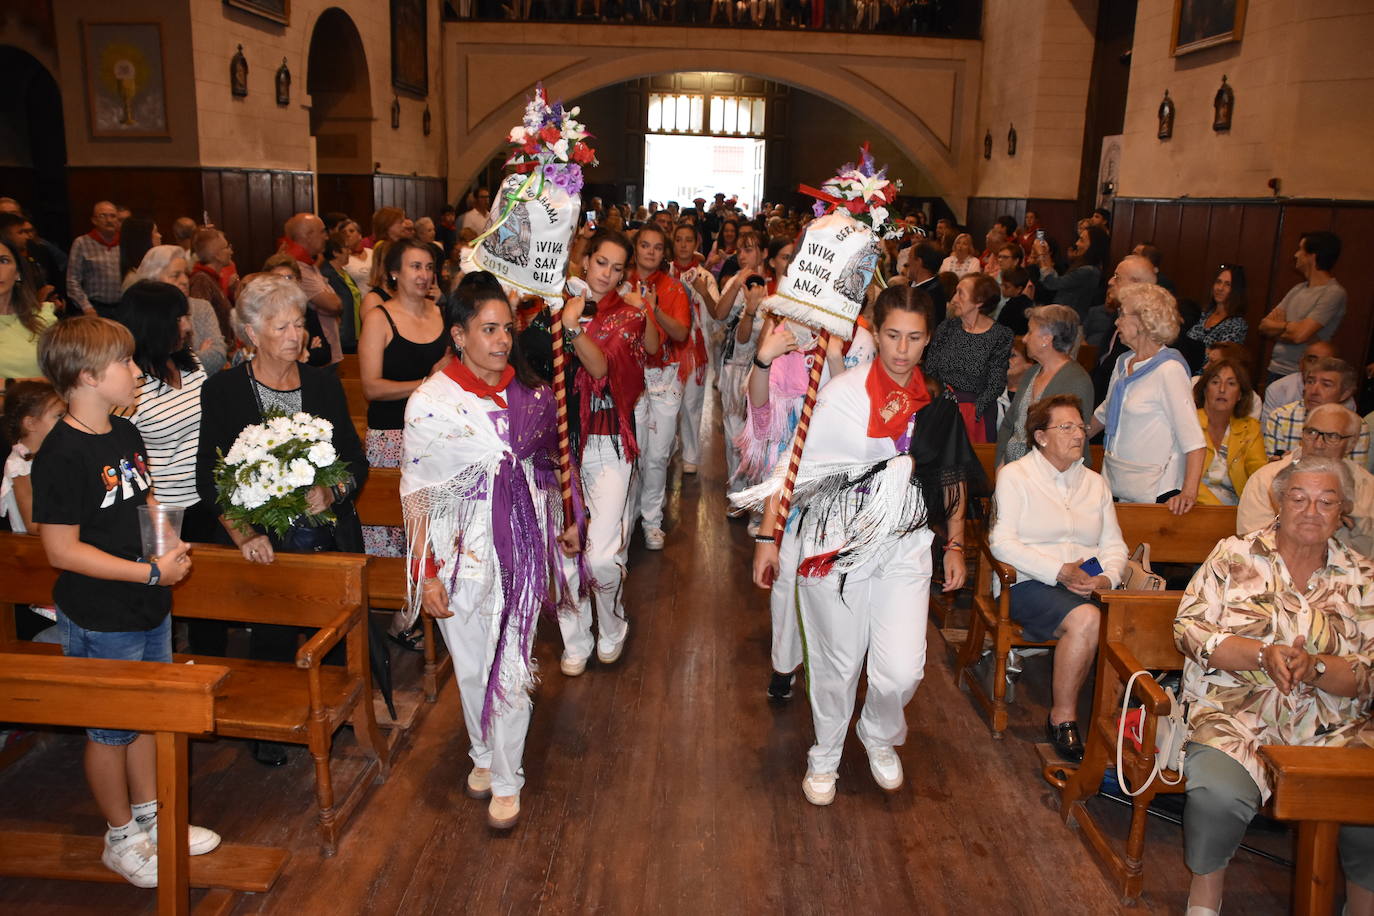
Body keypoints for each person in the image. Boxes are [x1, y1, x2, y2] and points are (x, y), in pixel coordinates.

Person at [745, 283, 977, 806]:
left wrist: (956, 545)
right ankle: (824, 751)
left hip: (904, 544)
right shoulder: (839, 395)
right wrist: (768, 535)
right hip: (835, 542)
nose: (901, 349)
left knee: (902, 669)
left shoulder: (936, 403)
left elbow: (952, 477)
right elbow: (794, 465)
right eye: (892, 335)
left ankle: (876, 732)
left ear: (928, 340)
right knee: (837, 660)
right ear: (876, 329)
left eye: (914, 338)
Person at [401, 276, 582, 831]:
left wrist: (565, 522)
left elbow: (549, 468)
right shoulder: (431, 404)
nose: (502, 340)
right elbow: (417, 496)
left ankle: (508, 777)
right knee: (473, 666)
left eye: (507, 328)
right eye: (488, 329)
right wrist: (426, 574)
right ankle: (482, 752)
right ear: (459, 335)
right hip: (460, 549)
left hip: (520, 545)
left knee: (509, 662)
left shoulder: (531, 393)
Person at [31, 315, 205, 886]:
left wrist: (169, 546)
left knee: (148, 719)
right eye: (125, 363)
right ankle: (119, 835)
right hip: (102, 614)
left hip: (146, 602)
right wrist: (148, 573)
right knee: (109, 732)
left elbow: (146, 499)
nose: (136, 371)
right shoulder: (60, 453)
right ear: (86, 376)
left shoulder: (125, 432)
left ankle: (153, 820)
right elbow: (60, 550)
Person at [1173, 455, 1374, 916]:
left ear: (1342, 510)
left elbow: (1369, 674)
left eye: (1327, 502)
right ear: (1278, 501)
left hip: (1334, 731)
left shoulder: (1362, 577)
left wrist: (1317, 668)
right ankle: (1204, 902)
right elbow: (1189, 631)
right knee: (1216, 796)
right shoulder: (1234, 555)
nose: (1311, 511)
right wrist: (1261, 654)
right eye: (1299, 498)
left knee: (1369, 806)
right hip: (1235, 716)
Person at [194, 276, 367, 754]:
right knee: (270, 630)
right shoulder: (224, 391)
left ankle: (337, 710)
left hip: (324, 533)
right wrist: (245, 533)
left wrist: (331, 492)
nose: (295, 335)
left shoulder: (322, 383)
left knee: (330, 629)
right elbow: (210, 477)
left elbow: (355, 459)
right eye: (281, 326)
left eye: (299, 324)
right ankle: (271, 723)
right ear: (251, 333)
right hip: (263, 538)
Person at [740, 307, 876, 700]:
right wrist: (764, 359)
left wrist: (835, 362)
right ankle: (784, 663)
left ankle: (832, 665)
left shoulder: (859, 341)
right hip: (789, 483)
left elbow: (856, 423)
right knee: (783, 578)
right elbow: (763, 424)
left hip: (840, 483)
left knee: (829, 578)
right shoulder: (783, 335)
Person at [989, 394, 1127, 761]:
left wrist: (1107, 579)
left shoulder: (1096, 483)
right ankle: (1063, 717)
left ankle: (1120, 722)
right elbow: (1001, 543)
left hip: (1087, 584)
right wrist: (1058, 570)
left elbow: (1114, 544)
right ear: (1041, 436)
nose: (1078, 434)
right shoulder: (1017, 476)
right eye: (1065, 427)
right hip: (1029, 583)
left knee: (1133, 621)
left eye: (1080, 427)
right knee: (1086, 619)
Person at [548, 230, 660, 674]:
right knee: (563, 550)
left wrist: (571, 328)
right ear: (585, 260)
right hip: (556, 444)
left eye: (617, 268)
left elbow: (604, 367)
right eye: (600, 263)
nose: (607, 275)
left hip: (609, 441)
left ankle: (612, 624)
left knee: (599, 552)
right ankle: (575, 638)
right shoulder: (556, 302)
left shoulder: (627, 314)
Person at [357, 239, 447, 649]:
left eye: (429, 267)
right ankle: (400, 618)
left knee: (436, 529)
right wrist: (427, 383)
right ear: (394, 272)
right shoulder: (379, 318)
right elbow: (372, 387)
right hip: (393, 437)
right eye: (415, 266)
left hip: (436, 435)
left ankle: (427, 606)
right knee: (397, 531)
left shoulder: (441, 314)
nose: (424, 275)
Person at [1090, 283, 1205, 512]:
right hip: (1116, 481)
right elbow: (1107, 409)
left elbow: (1193, 440)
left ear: (1143, 321)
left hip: (1155, 492)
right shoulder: (1124, 362)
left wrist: (1188, 492)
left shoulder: (1169, 369)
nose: (1116, 321)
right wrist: (1075, 432)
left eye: (1122, 314)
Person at [116, 281, 214, 541]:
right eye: (179, 318)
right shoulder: (128, 384)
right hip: (166, 509)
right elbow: (126, 459)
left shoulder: (189, 362)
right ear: (153, 324)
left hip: (210, 495)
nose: (187, 326)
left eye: (186, 317)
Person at [625, 224, 692, 550]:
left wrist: (654, 308)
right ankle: (629, 512)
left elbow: (680, 334)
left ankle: (652, 520)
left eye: (656, 247)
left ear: (663, 253)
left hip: (665, 377)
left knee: (658, 454)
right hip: (631, 380)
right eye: (644, 245)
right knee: (633, 452)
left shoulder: (675, 289)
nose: (650, 251)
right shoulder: (620, 283)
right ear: (635, 248)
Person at [1238, 404, 1374, 557]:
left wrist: (1352, 522)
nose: (1318, 444)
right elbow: (1252, 545)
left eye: (1332, 437)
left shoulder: (1367, 486)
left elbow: (1368, 555)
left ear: (1351, 444)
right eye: (1312, 432)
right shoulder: (1265, 479)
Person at [995, 305, 1093, 466]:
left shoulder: (1076, 381)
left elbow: (1068, 441)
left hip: (1050, 479)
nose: (1025, 339)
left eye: (1030, 331)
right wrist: (1001, 464)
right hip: (1014, 471)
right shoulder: (1032, 372)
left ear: (1046, 338)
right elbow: (1009, 424)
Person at [924, 273, 1013, 443]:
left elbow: (996, 382)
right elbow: (931, 370)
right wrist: (941, 404)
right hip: (942, 405)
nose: (954, 299)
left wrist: (973, 412)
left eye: (960, 293)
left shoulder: (1000, 335)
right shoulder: (947, 327)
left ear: (979, 301)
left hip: (976, 413)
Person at [712, 230, 771, 484]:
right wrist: (737, 283)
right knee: (734, 432)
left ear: (764, 253)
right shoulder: (736, 281)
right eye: (740, 250)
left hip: (765, 368)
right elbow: (719, 314)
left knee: (761, 434)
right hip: (734, 364)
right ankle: (736, 494)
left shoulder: (776, 285)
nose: (743, 255)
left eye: (750, 249)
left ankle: (755, 502)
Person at [665, 221, 718, 474]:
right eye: (679, 239)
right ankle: (666, 447)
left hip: (695, 349)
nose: (684, 245)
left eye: (689, 240)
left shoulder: (705, 276)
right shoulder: (664, 273)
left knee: (692, 405)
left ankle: (691, 456)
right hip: (666, 350)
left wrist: (702, 293)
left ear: (696, 244)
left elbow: (717, 314)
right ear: (673, 243)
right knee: (666, 402)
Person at [1259, 230, 1345, 382]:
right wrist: (1290, 329)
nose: (1296, 255)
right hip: (1275, 369)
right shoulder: (1297, 289)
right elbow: (1264, 326)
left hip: (1305, 375)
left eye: (1300, 249)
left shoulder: (1333, 293)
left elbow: (1300, 335)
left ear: (1313, 256)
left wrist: (1280, 327)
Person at [130, 246, 227, 376]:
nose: (185, 281)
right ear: (153, 280)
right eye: (176, 275)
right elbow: (152, 366)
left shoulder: (201, 307)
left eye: (186, 274)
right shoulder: (145, 317)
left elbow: (218, 356)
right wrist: (199, 356)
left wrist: (185, 360)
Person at [1264, 356, 1369, 462]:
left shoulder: (1357, 426)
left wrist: (1294, 461)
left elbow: (1354, 474)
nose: (1314, 391)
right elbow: (1274, 469)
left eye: (1326, 385)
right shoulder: (1281, 417)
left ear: (1345, 394)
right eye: (1310, 382)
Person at [1192, 358, 1265, 506]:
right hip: (1191, 506)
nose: (1222, 389)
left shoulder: (1250, 428)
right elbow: (1181, 477)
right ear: (1205, 390)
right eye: (1215, 382)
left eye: (1231, 383)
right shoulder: (1188, 422)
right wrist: (1218, 513)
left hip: (1236, 510)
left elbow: (1260, 474)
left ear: (1240, 395)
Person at [1, 379, 64, 534]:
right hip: (38, 548)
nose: (66, 422)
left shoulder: (55, 453)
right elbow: (32, 525)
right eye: (59, 416)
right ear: (31, 423)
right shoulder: (19, 466)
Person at [0, 237, 58, 381]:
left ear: (18, 273)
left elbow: (64, 374)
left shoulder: (44, 317)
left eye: (3, 261)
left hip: (43, 401)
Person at [1260, 340, 1352, 426]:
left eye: (1326, 362)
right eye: (1311, 360)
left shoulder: (1346, 399)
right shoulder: (1278, 389)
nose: (1317, 366)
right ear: (1301, 364)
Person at [261, 255, 332, 367]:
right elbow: (273, 358)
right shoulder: (263, 316)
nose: (285, 283)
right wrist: (304, 353)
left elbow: (325, 354)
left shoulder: (307, 312)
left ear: (298, 281)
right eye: (277, 278)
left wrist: (305, 356)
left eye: (289, 278)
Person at [1182, 265, 1248, 371]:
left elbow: (1221, 359)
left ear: (1236, 290)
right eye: (1218, 282)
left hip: (1207, 377)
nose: (1220, 288)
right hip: (1185, 370)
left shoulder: (1237, 324)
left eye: (1227, 284)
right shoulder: (1204, 314)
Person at [1033, 225, 1109, 318]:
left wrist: (1040, 255)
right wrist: (1046, 254)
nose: (1077, 243)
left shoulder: (1088, 271)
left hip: (1069, 323)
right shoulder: (1088, 268)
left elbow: (1053, 283)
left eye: (1081, 240)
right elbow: (1057, 279)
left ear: (1093, 245)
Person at [67, 201, 124, 317]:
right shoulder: (81, 243)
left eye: (113, 216)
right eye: (103, 216)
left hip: (123, 308)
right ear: (94, 220)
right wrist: (86, 307)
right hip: (95, 308)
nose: (109, 220)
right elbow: (72, 280)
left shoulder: (125, 242)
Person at [187, 229, 237, 347]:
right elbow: (200, 323)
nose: (231, 251)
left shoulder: (211, 278)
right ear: (217, 255)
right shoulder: (201, 280)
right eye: (226, 247)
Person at [903, 241, 948, 326]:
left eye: (909, 257)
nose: (907, 262)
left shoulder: (932, 296)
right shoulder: (915, 287)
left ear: (918, 262)